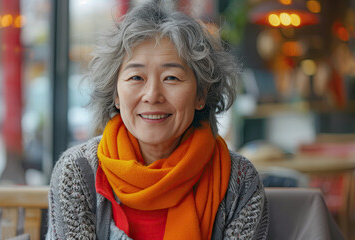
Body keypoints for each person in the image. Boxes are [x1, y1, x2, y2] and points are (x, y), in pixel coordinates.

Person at [47, 1, 269, 239]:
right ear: (116, 94)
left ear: (201, 94)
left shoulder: (239, 180)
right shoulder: (79, 172)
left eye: (171, 77)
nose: (152, 95)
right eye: (136, 77)